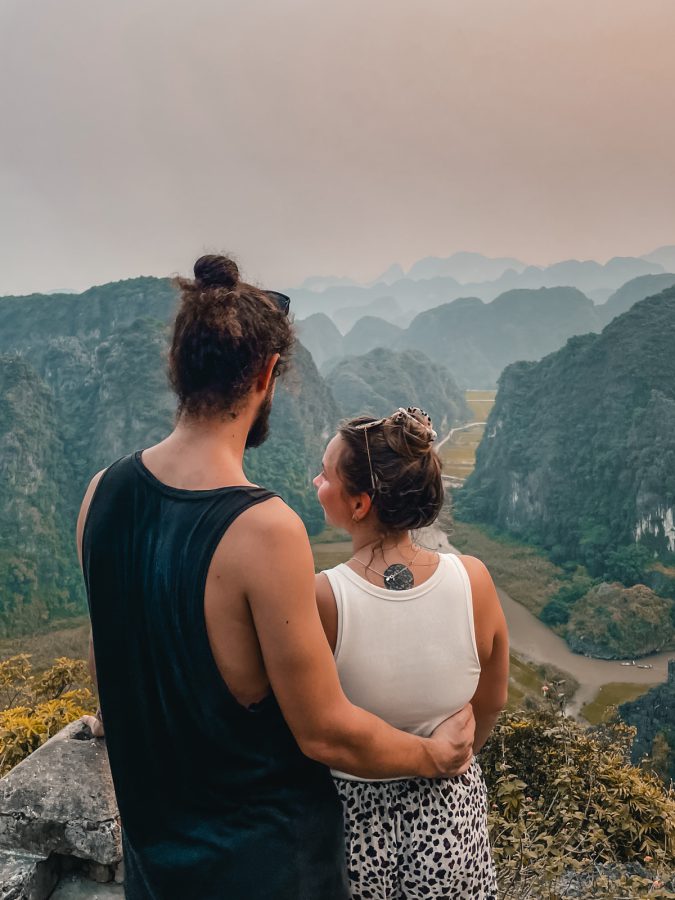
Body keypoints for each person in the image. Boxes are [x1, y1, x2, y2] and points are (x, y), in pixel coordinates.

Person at [76, 256, 477, 900]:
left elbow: (110, 666)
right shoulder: (264, 529)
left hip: (155, 870)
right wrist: (435, 757)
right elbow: (323, 729)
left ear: (177, 367)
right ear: (267, 374)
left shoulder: (101, 495)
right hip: (268, 869)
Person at [314, 408, 509, 899]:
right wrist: (452, 757)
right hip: (450, 815)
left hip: (352, 823)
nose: (315, 480)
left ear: (359, 504)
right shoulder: (474, 580)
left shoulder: (324, 598)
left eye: (325, 473)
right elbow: (491, 700)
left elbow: (310, 726)